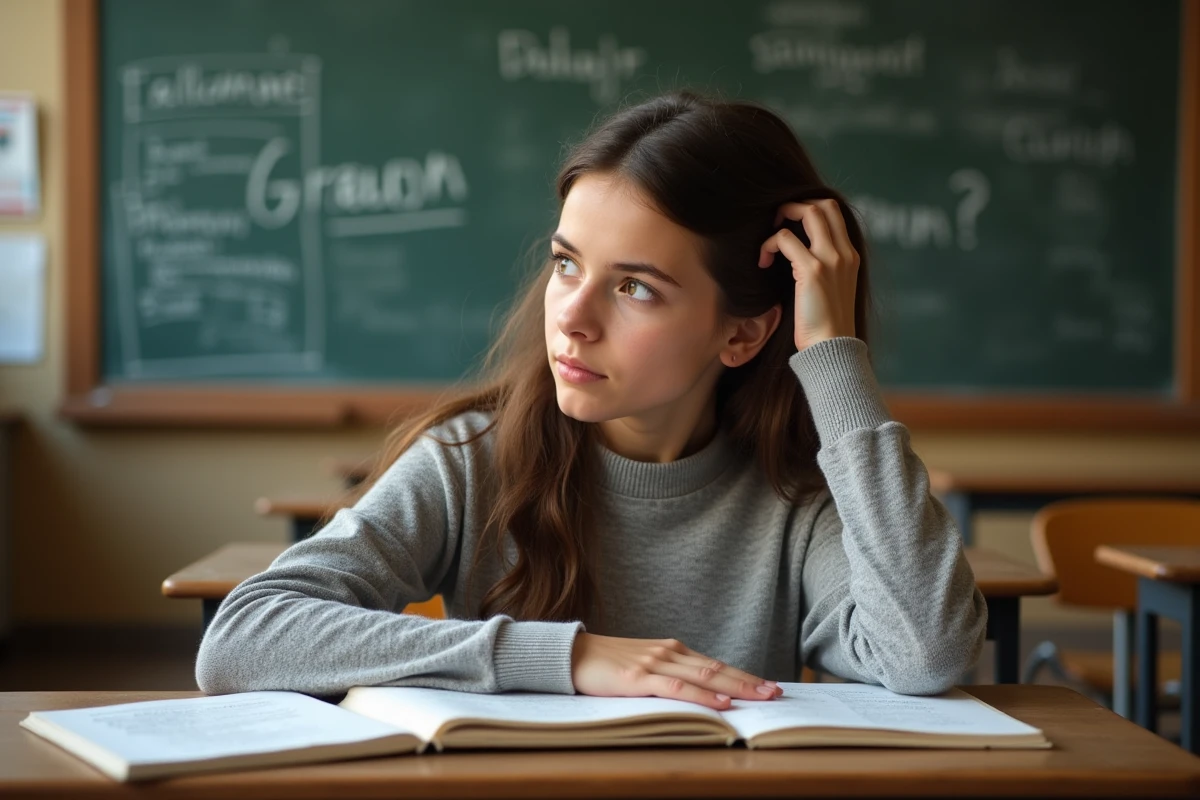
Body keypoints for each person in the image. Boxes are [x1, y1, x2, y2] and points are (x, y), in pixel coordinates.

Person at [196, 90, 987, 708]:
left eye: (635, 287)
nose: (570, 316)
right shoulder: (473, 462)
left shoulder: (795, 500)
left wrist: (835, 362)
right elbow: (242, 638)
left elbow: (928, 655)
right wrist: (569, 657)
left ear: (742, 335)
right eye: (566, 263)